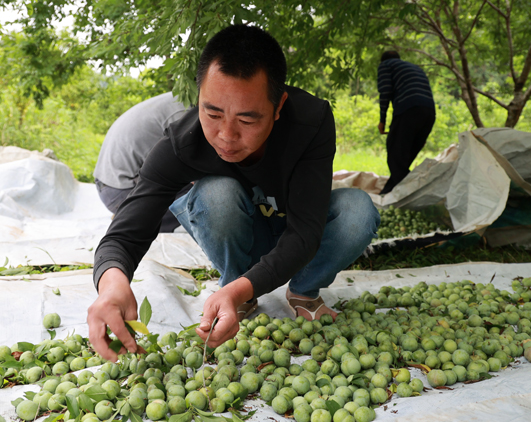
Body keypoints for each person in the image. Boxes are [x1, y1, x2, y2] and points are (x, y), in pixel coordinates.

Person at [87, 24, 380, 360]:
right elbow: (125, 233)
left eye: (247, 120)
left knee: (358, 210)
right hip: (244, 237)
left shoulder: (310, 124)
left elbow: (305, 232)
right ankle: (237, 286)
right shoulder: (183, 143)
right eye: (212, 113)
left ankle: (303, 291)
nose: (226, 135)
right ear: (198, 96)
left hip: (292, 232)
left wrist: (240, 291)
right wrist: (112, 284)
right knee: (216, 193)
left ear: (279, 107)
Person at [93, 92, 191, 232]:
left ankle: (128, 217)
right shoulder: (183, 113)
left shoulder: (179, 99)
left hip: (109, 185)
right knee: (199, 195)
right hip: (121, 191)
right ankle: (130, 220)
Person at [376, 50, 436, 195]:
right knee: (404, 157)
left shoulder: (386, 65)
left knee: (394, 153)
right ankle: (388, 192)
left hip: (409, 109)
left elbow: (385, 91)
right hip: (429, 113)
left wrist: (382, 120)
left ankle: (414, 193)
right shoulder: (414, 68)